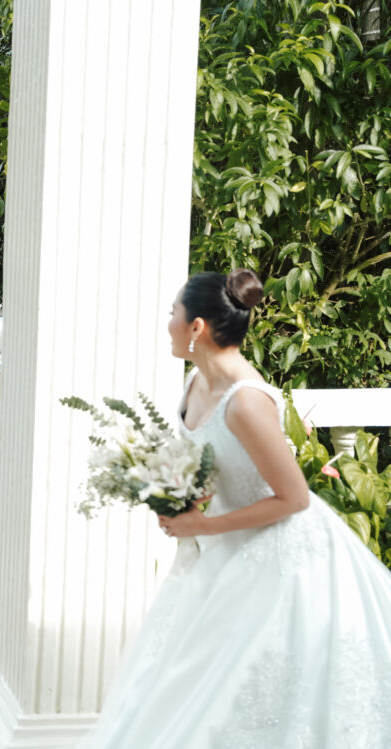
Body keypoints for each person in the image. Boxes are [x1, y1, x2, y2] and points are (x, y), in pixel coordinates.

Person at [81, 269, 391, 748]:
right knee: (185, 681)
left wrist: (204, 524)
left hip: (281, 557)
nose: (168, 323)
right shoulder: (195, 383)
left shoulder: (246, 402)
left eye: (173, 313)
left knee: (245, 689)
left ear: (197, 326)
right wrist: (177, 495)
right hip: (222, 551)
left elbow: (295, 499)